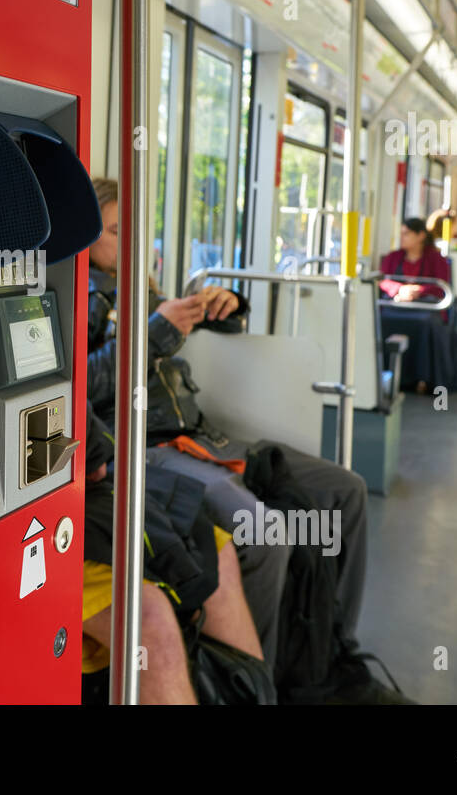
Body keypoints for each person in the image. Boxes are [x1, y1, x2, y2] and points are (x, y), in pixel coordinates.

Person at [85, 177, 409, 703]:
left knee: (344, 491)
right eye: (116, 231)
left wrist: (223, 304)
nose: (128, 242)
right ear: (84, 233)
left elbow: (222, 331)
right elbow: (86, 385)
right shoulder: (75, 296)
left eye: (134, 231)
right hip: (141, 448)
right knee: (264, 534)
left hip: (201, 437)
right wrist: (157, 331)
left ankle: (328, 658)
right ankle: (259, 682)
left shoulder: (142, 292)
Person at [79, 402, 266, 704]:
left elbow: (95, 452)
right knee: (146, 618)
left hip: (87, 483)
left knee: (217, 549)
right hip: (31, 508)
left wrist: (92, 454)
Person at [378, 218, 457, 393]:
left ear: (420, 236)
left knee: (426, 323)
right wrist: (399, 290)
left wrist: (419, 290)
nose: (402, 238)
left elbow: (441, 285)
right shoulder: (393, 257)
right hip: (399, 304)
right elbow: (384, 281)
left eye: (407, 234)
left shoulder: (436, 259)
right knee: (382, 318)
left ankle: (423, 377)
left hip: (427, 307)